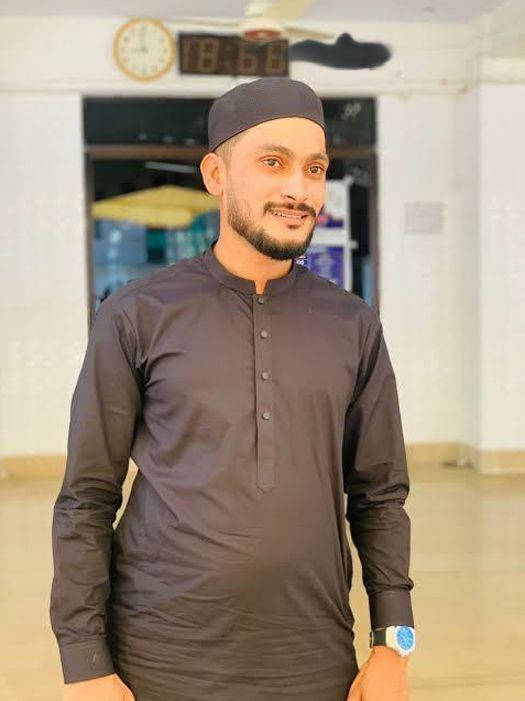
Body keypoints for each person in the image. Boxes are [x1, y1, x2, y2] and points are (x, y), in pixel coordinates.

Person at [50, 77, 415, 701]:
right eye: (273, 162)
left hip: (315, 658)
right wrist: (85, 662)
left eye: (314, 168)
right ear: (216, 175)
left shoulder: (352, 324)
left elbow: (380, 496)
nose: (299, 188)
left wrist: (394, 644)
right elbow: (86, 498)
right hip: (158, 660)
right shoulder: (137, 314)